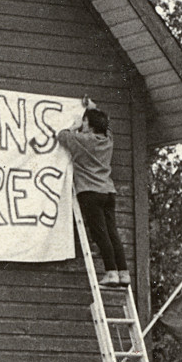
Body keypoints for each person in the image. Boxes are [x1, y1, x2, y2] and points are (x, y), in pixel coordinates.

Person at [40, 96, 128, 287]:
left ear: (89, 125)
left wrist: (74, 125)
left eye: (86, 122)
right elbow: (108, 127)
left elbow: (62, 136)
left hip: (90, 192)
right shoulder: (108, 140)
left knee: (100, 233)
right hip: (108, 192)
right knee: (113, 232)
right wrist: (94, 109)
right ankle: (123, 272)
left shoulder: (83, 140)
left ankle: (111, 273)